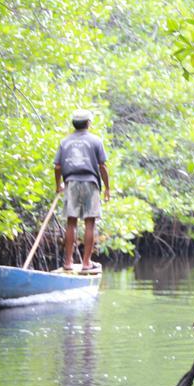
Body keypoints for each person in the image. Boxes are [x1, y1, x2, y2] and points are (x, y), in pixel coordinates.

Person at [54, 108, 110, 272]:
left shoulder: (65, 142)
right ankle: (86, 263)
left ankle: (68, 262)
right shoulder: (95, 141)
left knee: (71, 222)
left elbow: (57, 166)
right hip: (90, 183)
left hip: (71, 183)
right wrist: (107, 188)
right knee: (89, 223)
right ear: (88, 123)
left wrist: (58, 185)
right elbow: (102, 166)